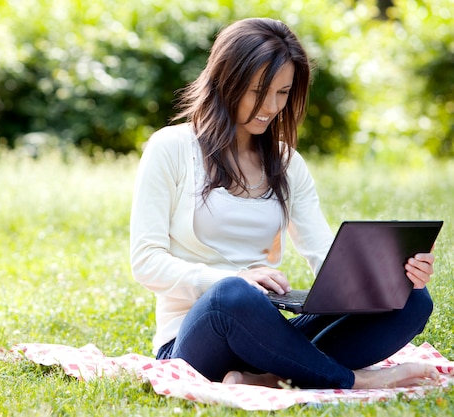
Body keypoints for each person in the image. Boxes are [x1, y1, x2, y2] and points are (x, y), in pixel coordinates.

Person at [129, 17, 441, 389]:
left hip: (268, 334)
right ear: (226, 78)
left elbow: (325, 256)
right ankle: (355, 381)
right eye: (259, 90)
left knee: (413, 302)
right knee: (233, 295)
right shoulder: (171, 148)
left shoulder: (287, 163)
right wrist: (232, 277)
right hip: (196, 338)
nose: (271, 106)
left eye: (283, 92)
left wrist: (391, 275)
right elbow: (145, 262)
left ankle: (266, 378)